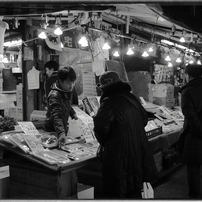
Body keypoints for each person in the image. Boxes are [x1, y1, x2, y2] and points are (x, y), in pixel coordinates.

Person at [93, 71, 158, 199]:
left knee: (117, 190)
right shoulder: (131, 97)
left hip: (118, 154)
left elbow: (101, 129)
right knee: (134, 188)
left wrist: (104, 142)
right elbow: (144, 118)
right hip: (137, 150)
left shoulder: (108, 101)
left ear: (104, 88)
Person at [179, 64, 202, 199]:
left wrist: (200, 131)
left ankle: (195, 198)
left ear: (187, 75)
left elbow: (190, 116)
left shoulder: (188, 91)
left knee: (193, 170)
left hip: (194, 135)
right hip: (197, 132)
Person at [44, 66, 78, 148]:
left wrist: (73, 114)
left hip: (62, 129)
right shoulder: (54, 95)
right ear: (60, 81)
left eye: (73, 82)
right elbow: (57, 115)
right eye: (68, 83)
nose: (71, 86)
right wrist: (61, 133)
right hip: (52, 130)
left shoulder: (67, 91)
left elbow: (67, 104)